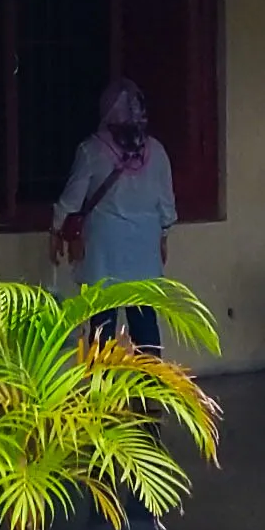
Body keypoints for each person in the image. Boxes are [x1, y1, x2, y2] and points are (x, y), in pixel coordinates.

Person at [48, 76, 181, 345]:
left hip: (102, 256)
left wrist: (55, 232)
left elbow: (71, 201)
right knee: (145, 326)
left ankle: (102, 385)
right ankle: (152, 383)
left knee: (102, 326)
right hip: (144, 253)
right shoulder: (157, 152)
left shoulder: (91, 150)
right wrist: (163, 237)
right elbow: (166, 206)